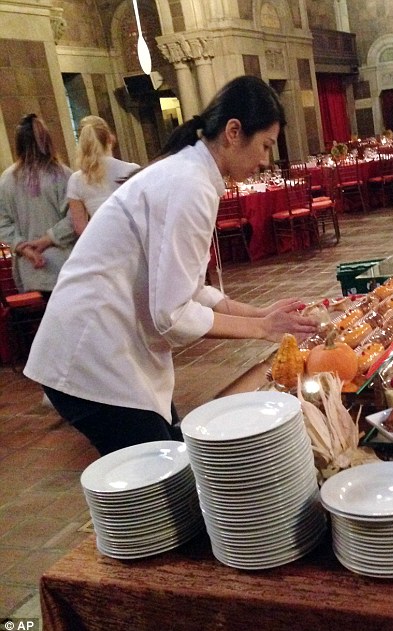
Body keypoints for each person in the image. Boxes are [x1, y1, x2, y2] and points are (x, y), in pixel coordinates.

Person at [24, 76, 318, 456]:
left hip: (107, 347)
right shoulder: (189, 182)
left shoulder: (192, 175)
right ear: (233, 132)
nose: (265, 160)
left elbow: (191, 289)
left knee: (172, 458)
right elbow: (173, 315)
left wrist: (260, 313)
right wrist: (261, 328)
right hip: (91, 354)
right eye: (264, 145)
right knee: (161, 475)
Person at [0, 114, 75, 294]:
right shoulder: (63, 175)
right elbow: (75, 219)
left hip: (30, 270)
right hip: (64, 268)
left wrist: (24, 248)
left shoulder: (6, 180)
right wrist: (48, 239)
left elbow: (3, 224)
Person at [67, 116, 139, 235]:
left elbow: (80, 228)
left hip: (100, 242)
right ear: (110, 139)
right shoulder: (132, 170)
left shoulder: (76, 180)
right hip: (132, 240)